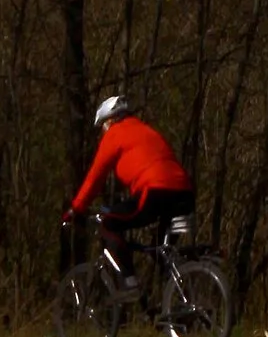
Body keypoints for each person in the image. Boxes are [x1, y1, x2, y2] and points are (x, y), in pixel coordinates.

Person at [67, 94, 193, 277]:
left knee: (109, 223)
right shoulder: (147, 130)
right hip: (185, 194)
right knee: (161, 250)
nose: (102, 132)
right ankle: (179, 293)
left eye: (102, 127)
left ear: (109, 121)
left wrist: (76, 208)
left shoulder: (114, 135)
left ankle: (129, 281)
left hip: (154, 191)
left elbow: (95, 177)